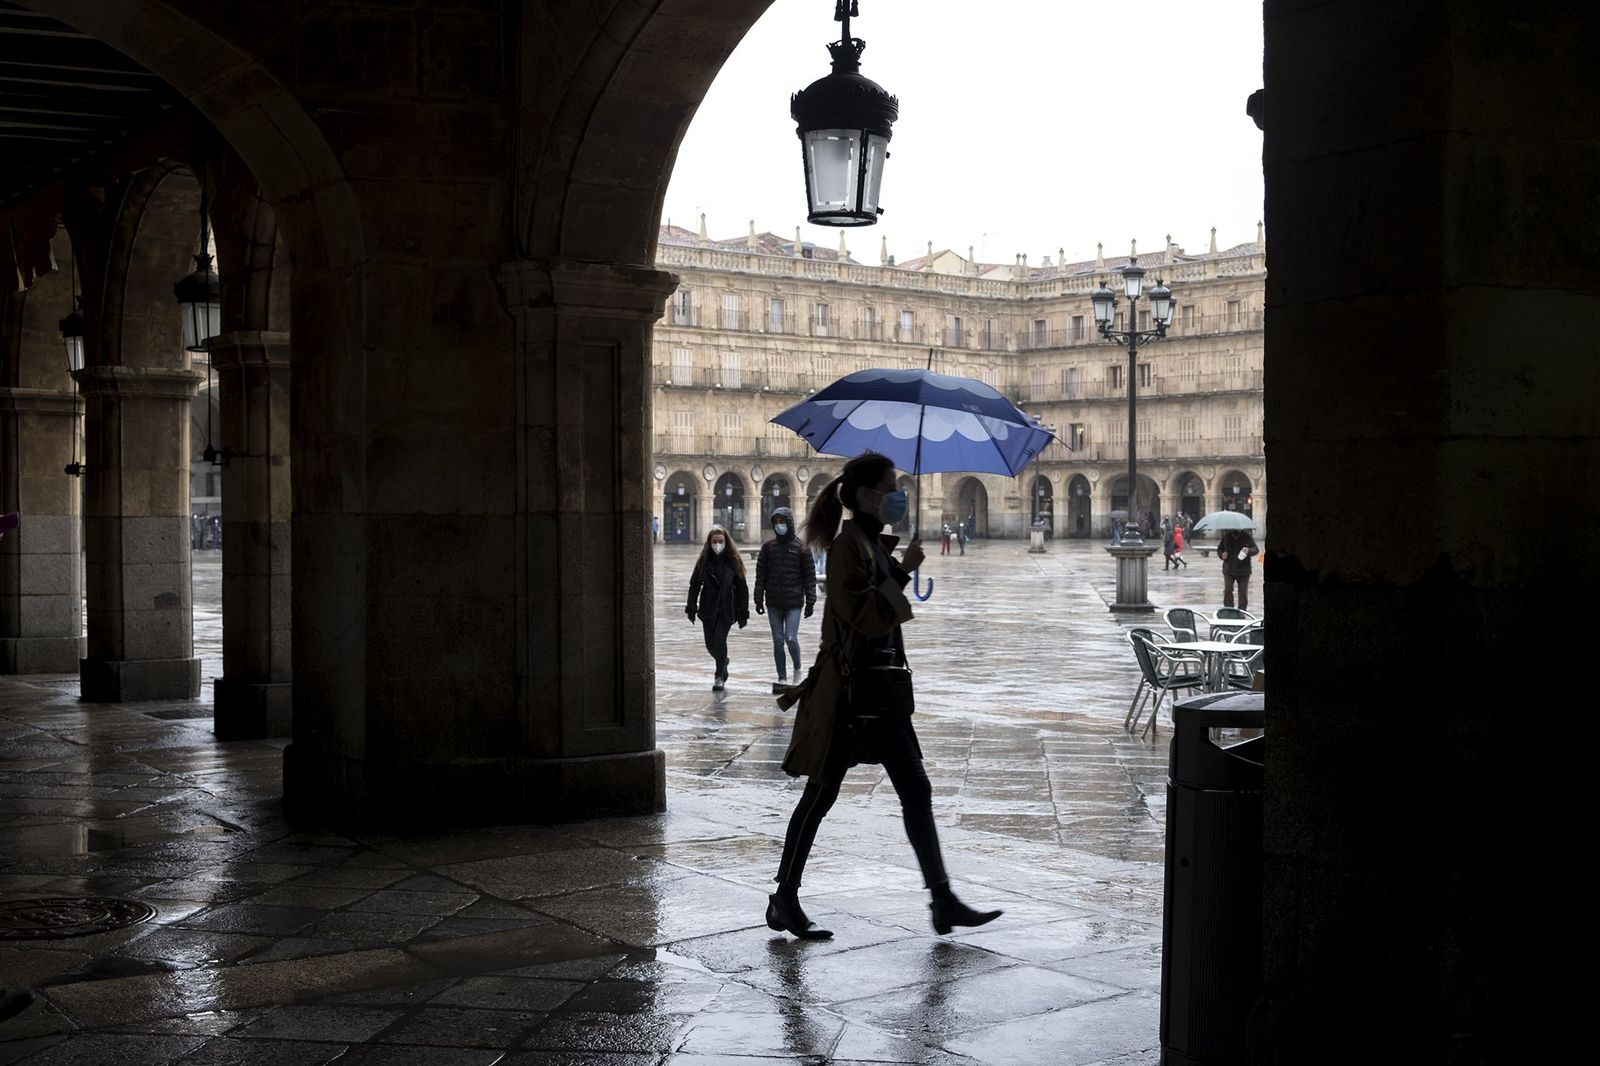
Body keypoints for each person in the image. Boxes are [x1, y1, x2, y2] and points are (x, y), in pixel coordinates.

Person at [769, 452, 1001, 940]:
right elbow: (866, 615)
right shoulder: (846, 546)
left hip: (882, 690)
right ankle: (784, 897)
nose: (898, 494)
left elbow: (880, 609)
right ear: (867, 496)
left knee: (916, 789)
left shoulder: (869, 543)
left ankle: (942, 899)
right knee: (820, 794)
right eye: (891, 486)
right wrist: (903, 571)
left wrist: (897, 566)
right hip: (854, 694)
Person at [754, 507, 816, 695]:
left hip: (793, 602)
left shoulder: (801, 547)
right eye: (776, 522)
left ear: (789, 523)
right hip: (773, 601)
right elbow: (761, 575)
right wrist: (758, 599)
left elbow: (809, 576)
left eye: (782, 522)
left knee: (790, 638)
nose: (779, 526)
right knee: (777, 640)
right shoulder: (768, 547)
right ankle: (782, 677)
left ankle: (797, 668)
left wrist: (810, 601)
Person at [686, 525, 749, 692]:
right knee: (710, 644)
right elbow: (694, 584)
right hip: (708, 608)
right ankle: (723, 661)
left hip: (727, 609)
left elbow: (742, 587)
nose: (718, 545)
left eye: (721, 541)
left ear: (726, 542)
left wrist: (743, 611)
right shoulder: (703, 562)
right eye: (715, 542)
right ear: (709, 543)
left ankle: (719, 676)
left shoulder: (734, 562)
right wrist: (691, 606)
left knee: (720, 640)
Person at [1218, 526, 1260, 610]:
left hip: (1244, 570)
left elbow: (1256, 549)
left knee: (1243, 593)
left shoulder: (1247, 537)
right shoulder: (1226, 537)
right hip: (1228, 569)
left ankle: (1242, 611)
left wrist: (1248, 550)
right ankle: (1228, 609)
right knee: (1228, 590)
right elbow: (1220, 549)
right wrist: (1222, 554)